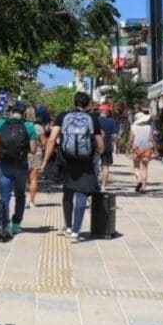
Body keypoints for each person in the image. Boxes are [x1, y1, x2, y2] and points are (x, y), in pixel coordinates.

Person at [40, 92, 104, 243]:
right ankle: (76, 230)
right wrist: (98, 155)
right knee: (81, 193)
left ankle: (68, 226)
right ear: (87, 104)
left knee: (68, 192)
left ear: (74, 102)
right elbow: (100, 145)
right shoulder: (92, 118)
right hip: (85, 161)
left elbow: (51, 140)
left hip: (67, 160)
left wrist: (45, 162)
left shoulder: (63, 116)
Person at [0, 103, 37, 236]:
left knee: (5, 196)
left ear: (11, 111)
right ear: (24, 113)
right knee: (20, 195)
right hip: (20, 166)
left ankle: (5, 223)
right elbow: (33, 150)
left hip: (4, 165)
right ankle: (16, 224)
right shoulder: (29, 126)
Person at [129, 110, 155, 192]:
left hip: (136, 147)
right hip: (146, 147)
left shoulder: (133, 126)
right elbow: (151, 138)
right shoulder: (148, 127)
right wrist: (155, 147)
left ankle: (139, 179)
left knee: (136, 166)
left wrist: (127, 147)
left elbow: (131, 139)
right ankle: (144, 187)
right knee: (145, 168)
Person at [26, 108, 46, 207]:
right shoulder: (38, 127)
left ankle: (22, 199)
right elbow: (44, 142)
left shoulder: (23, 126)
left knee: (23, 178)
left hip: (23, 153)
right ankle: (31, 201)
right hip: (36, 153)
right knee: (33, 179)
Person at [98, 105, 119, 190]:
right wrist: (116, 145)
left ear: (100, 111)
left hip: (95, 146)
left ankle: (94, 184)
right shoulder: (111, 122)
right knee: (105, 167)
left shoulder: (95, 120)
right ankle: (103, 186)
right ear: (107, 112)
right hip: (107, 146)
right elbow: (114, 136)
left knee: (93, 166)